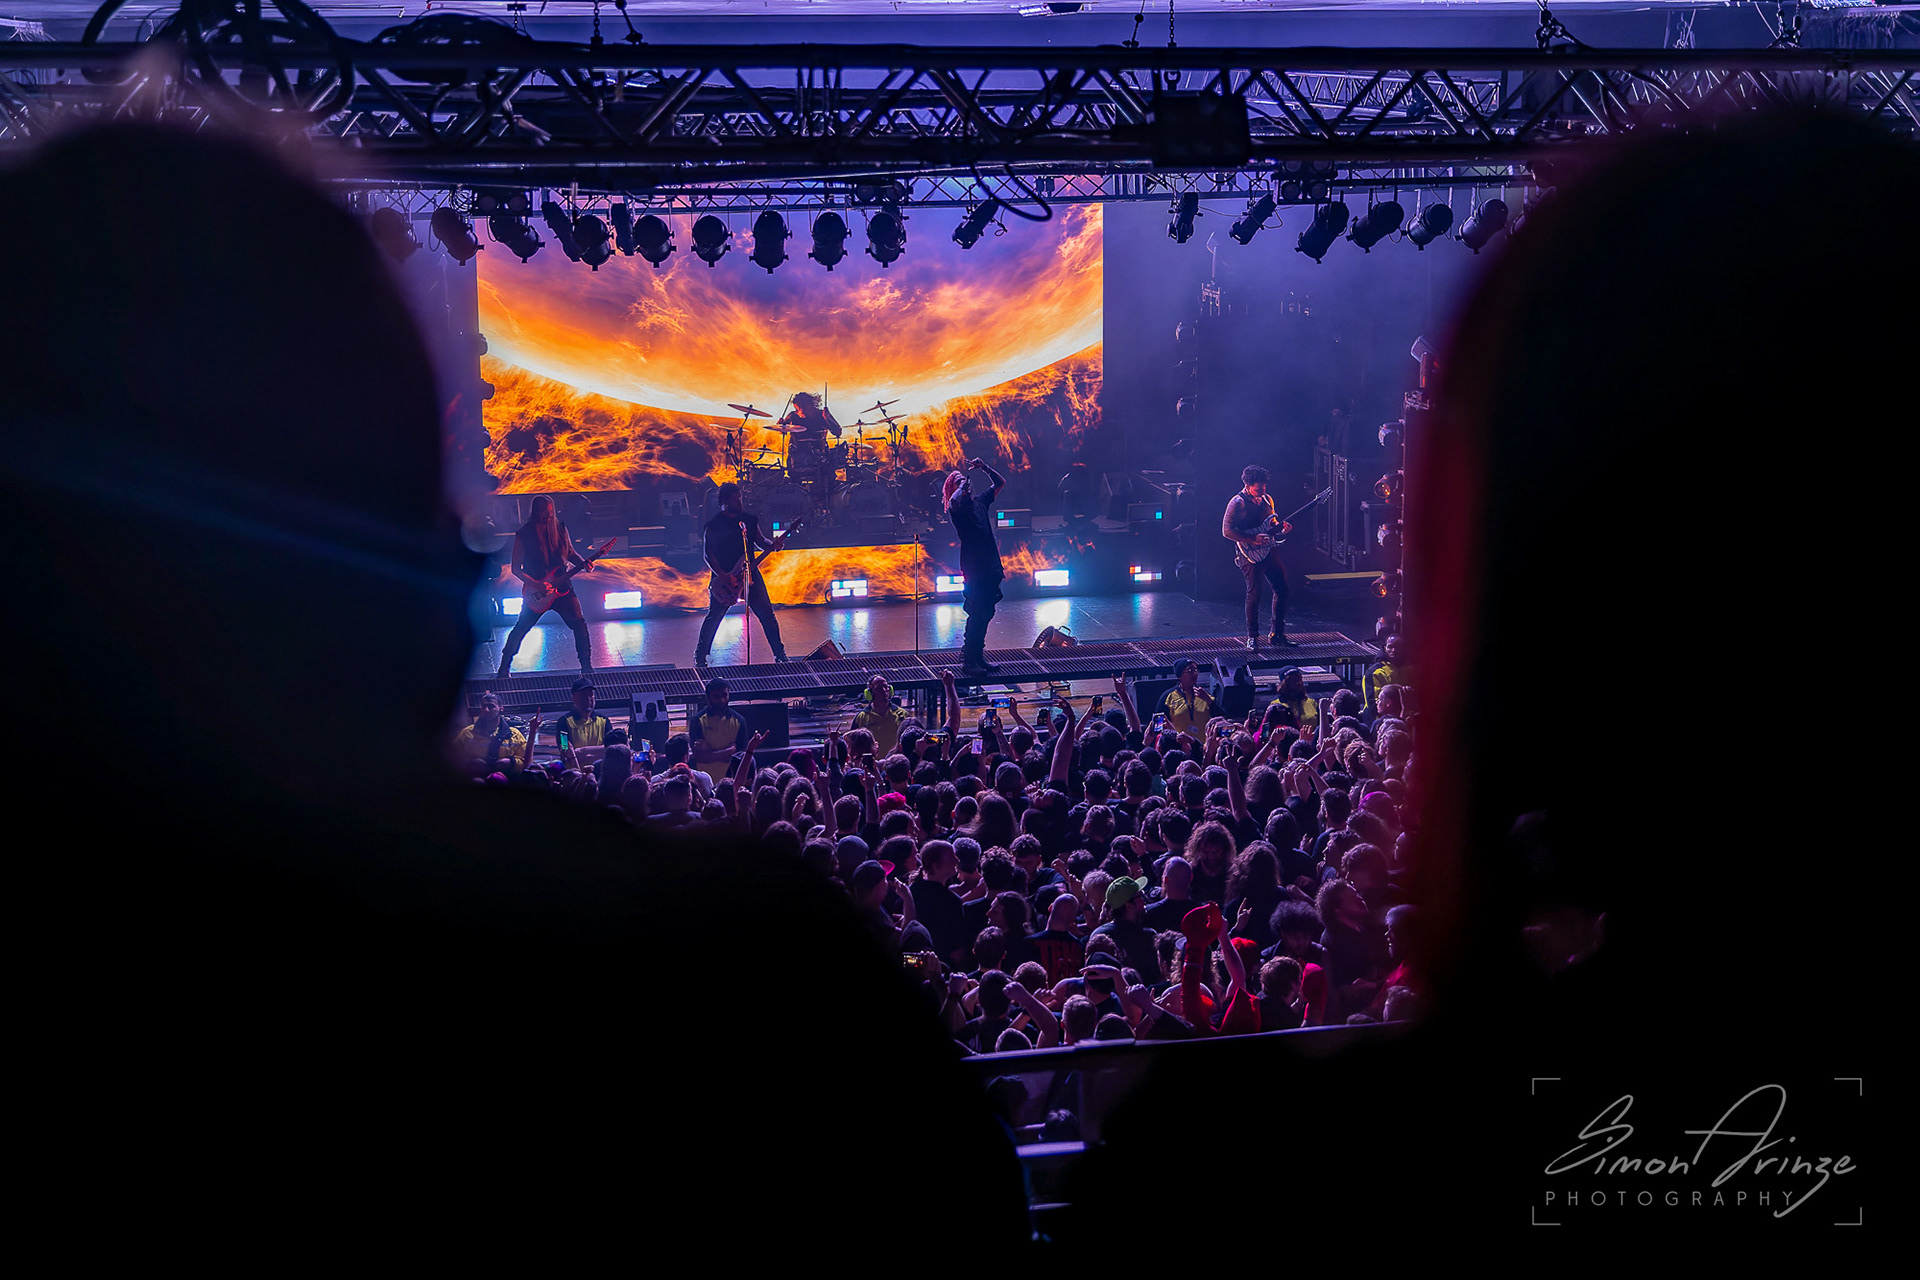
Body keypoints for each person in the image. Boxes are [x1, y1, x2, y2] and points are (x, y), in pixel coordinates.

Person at [496, 495, 598, 678]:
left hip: (563, 586)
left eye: (551, 512)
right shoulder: (524, 534)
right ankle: (504, 667)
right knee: (522, 627)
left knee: (579, 624)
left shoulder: (559, 528)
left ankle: (586, 666)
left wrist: (584, 563)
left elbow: (571, 553)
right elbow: (516, 568)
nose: (549, 516)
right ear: (535, 512)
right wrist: (537, 584)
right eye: (545, 512)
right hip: (537, 591)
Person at [695, 480, 790, 666]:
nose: (739, 502)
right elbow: (708, 555)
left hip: (750, 577)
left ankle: (780, 654)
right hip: (724, 580)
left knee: (767, 616)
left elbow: (761, 541)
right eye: (735, 499)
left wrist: (774, 546)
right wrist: (722, 575)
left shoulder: (748, 521)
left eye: (740, 498)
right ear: (724, 502)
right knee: (714, 617)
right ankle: (700, 657)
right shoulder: (714, 525)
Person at [943, 456, 1007, 676]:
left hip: (990, 566)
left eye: (965, 480)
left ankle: (978, 657)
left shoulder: (979, 502)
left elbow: (1000, 484)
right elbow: (953, 501)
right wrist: (960, 485)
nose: (966, 483)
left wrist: (985, 467)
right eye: (959, 481)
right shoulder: (957, 509)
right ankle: (969, 661)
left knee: (986, 612)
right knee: (977, 613)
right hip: (974, 569)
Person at [1220, 464, 1295, 649]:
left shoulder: (1267, 499)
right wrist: (1251, 539)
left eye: (1264, 487)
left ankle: (1277, 634)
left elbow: (1272, 523)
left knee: (1282, 589)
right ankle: (1252, 636)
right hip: (1249, 553)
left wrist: (1282, 528)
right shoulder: (1237, 503)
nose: (1261, 491)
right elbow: (1226, 531)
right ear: (1247, 484)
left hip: (1269, 550)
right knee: (1254, 593)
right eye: (1257, 488)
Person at [450, 691, 529, 775]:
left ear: (501, 709)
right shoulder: (467, 733)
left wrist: (511, 762)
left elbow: (526, 761)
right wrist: (471, 763)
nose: (486, 710)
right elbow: (452, 758)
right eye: (484, 707)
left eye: (491, 707)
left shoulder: (514, 734)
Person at [689, 677, 750, 775]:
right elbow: (698, 756)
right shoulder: (697, 720)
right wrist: (729, 751)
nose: (722, 700)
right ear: (708, 698)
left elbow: (742, 756)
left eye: (725, 695)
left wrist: (709, 753)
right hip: (704, 782)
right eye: (717, 697)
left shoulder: (739, 721)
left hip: (731, 781)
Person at [851, 674, 908, 758]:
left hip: (895, 765)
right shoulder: (861, 718)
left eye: (886, 687)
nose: (884, 690)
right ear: (870, 693)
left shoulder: (902, 715)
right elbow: (853, 746)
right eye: (879, 688)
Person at [1157, 660, 1214, 736]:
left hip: (1202, 746)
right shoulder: (1168, 697)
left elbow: (1222, 717)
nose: (1194, 674)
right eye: (1190, 670)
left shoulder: (1204, 695)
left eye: (1196, 670)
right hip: (1179, 745)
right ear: (1180, 675)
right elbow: (1158, 724)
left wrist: (1209, 701)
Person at [554, 678, 610, 753]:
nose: (588, 699)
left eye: (590, 694)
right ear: (573, 698)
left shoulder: (604, 721)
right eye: (583, 695)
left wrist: (582, 751)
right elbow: (565, 749)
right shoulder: (564, 722)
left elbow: (610, 748)